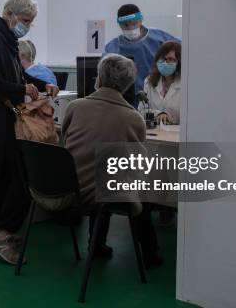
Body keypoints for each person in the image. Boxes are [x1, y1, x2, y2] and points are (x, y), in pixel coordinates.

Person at [0, 0, 59, 265]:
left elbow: (17, 73)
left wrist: (40, 86)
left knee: (1, 178)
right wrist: (22, 90)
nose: (27, 25)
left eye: (31, 21)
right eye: (25, 20)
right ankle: (2, 232)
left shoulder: (6, 39)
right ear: (10, 14)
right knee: (20, 177)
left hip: (1, 120)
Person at [62, 53, 162, 266]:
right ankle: (150, 253)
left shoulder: (75, 107)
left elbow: (65, 143)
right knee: (138, 185)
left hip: (65, 188)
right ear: (127, 85)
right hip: (96, 193)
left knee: (102, 170)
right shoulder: (132, 118)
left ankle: (96, 244)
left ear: (98, 78)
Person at [104, 4, 179, 93]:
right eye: (126, 25)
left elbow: (182, 53)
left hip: (158, 93)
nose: (131, 28)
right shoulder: (112, 48)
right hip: (127, 98)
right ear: (120, 25)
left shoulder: (160, 38)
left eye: (134, 23)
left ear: (141, 20)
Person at [143, 41, 181, 125]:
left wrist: (168, 116)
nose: (165, 63)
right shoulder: (149, 81)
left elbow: (189, 114)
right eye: (163, 59)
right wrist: (158, 114)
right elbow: (141, 110)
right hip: (155, 132)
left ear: (179, 62)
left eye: (170, 59)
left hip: (177, 133)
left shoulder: (185, 84)